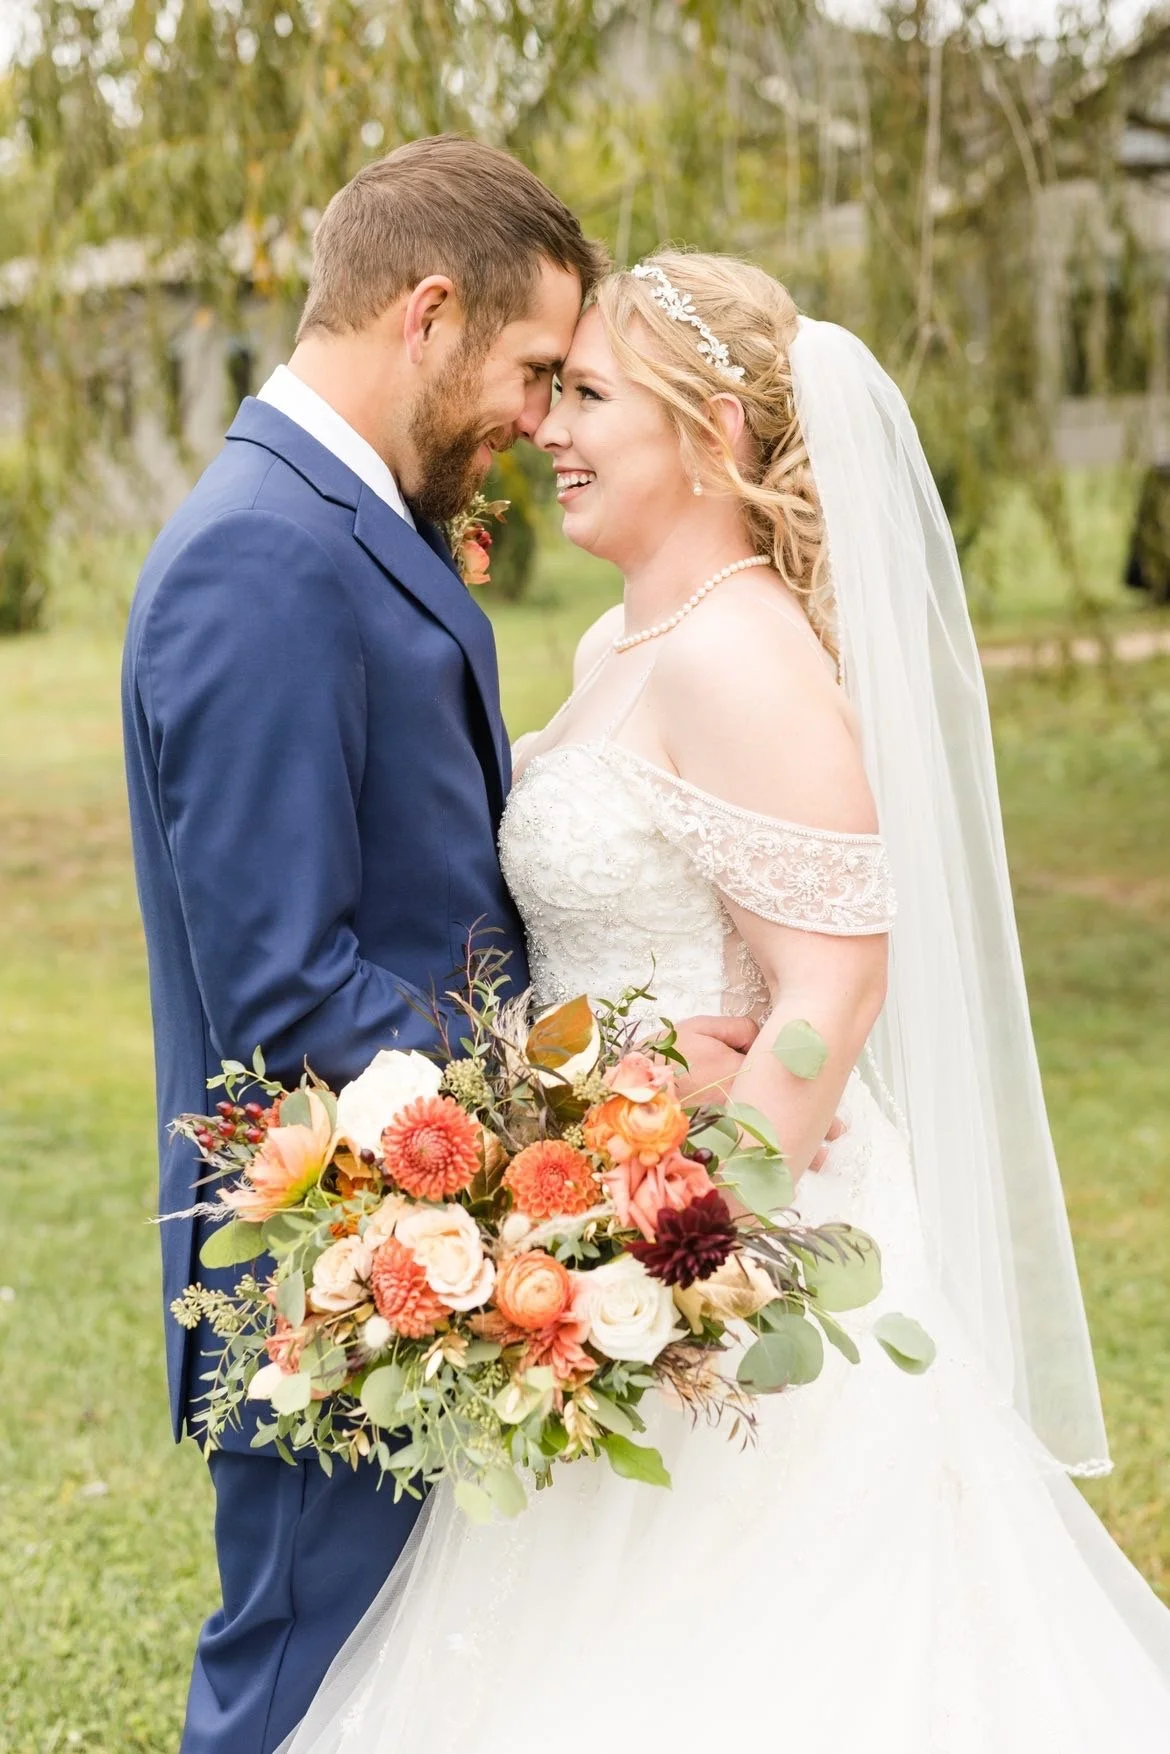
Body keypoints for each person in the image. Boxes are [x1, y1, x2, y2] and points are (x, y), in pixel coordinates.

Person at [278, 252, 1170, 1753]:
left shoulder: (744, 656)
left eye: (590, 395)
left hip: (723, 1265)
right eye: (552, 389)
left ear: (713, 433)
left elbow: (834, 984)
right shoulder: (618, 643)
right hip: (599, 1218)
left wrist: (697, 1265)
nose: (550, 426)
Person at [122, 151, 757, 1754]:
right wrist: (587, 1084)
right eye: (534, 370)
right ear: (427, 313)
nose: (541, 420)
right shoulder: (262, 551)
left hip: (420, 1245)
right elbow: (285, 988)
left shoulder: (340, 521)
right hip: (328, 1263)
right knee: (300, 1690)